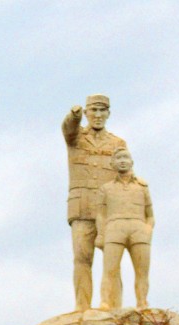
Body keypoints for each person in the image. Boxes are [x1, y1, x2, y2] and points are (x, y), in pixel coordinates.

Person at [62, 94, 127, 311]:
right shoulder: (76, 137)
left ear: (108, 113)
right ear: (87, 113)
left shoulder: (118, 143)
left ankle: (113, 306)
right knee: (82, 258)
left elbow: (125, 174)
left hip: (109, 209)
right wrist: (74, 115)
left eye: (102, 110)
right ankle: (82, 308)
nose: (98, 115)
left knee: (112, 259)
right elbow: (68, 128)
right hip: (81, 207)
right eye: (93, 110)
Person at [95, 147, 153, 310]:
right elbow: (101, 214)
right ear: (112, 163)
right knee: (109, 269)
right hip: (115, 227)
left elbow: (150, 214)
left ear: (131, 162)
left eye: (125, 158)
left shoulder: (142, 187)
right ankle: (105, 301)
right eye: (118, 158)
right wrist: (101, 234)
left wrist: (148, 229)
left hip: (138, 228)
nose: (122, 161)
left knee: (142, 271)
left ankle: (142, 301)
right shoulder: (106, 188)